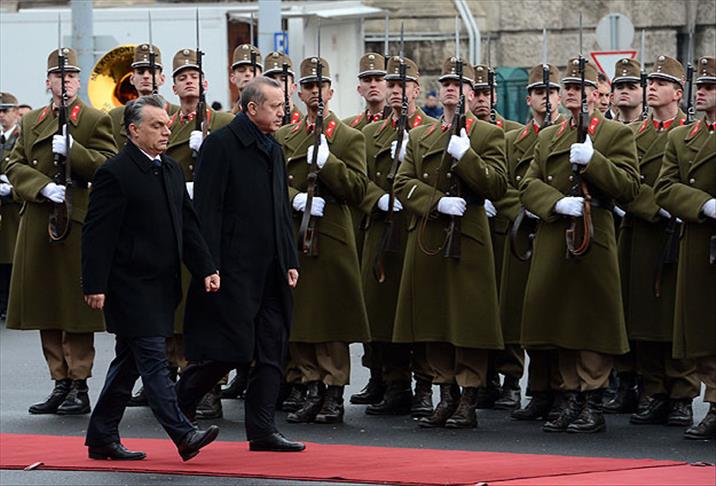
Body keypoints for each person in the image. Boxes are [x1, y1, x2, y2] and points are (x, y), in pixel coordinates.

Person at [82, 95, 221, 462]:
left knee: (127, 363)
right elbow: (97, 234)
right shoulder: (115, 172)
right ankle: (183, 433)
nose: (166, 131)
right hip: (129, 285)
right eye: (156, 125)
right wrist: (94, 284)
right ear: (134, 130)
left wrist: (206, 267)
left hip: (162, 284)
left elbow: (187, 225)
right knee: (154, 361)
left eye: (166, 125)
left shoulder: (171, 169)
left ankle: (101, 436)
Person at [177, 77, 305, 452]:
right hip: (232, 269)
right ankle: (179, 402)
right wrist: (208, 265)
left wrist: (289, 258)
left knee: (271, 348)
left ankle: (262, 430)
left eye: (283, 105)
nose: (283, 112)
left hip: (271, 268)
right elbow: (207, 211)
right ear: (251, 108)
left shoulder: (273, 148)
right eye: (275, 106)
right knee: (228, 350)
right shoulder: (221, 145)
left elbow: (280, 210)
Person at [519, 57, 640, 433]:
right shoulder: (548, 136)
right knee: (560, 316)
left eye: (579, 88)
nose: (571, 93)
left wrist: (594, 161)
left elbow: (629, 187)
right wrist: (555, 203)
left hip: (594, 232)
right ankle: (569, 395)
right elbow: (528, 184)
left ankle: (592, 400)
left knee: (592, 318)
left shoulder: (614, 134)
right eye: (567, 87)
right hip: (557, 231)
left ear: (594, 94)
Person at [393, 57, 507, 429]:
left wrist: (467, 156)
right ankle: (446, 394)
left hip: (468, 239)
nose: (451, 89)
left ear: (472, 93)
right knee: (435, 318)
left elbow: (497, 185)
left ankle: (469, 397)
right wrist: (436, 202)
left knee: (468, 321)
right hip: (430, 234)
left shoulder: (488, 135)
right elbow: (402, 182)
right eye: (446, 83)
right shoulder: (422, 136)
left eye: (459, 84)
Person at [4, 47, 117, 416]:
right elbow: (14, 163)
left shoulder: (94, 119)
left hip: (76, 220)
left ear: (78, 81)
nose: (65, 83)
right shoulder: (31, 121)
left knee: (75, 308)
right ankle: (59, 381)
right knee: (46, 305)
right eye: (58, 76)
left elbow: (109, 167)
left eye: (70, 76)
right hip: (39, 218)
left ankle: (79, 383)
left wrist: (75, 151)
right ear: (47, 81)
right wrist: (41, 187)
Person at [275, 56, 370, 425]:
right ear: (299, 93)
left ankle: (333, 391)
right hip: (295, 231)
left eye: (321, 86)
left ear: (331, 91)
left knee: (331, 317)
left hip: (331, 235)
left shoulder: (348, 137)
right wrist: (294, 197)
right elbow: (270, 184)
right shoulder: (285, 137)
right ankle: (310, 386)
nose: (315, 92)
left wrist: (329, 163)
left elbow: (358, 189)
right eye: (309, 86)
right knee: (300, 316)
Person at [618, 55, 699, 427]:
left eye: (661, 83)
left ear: (678, 92)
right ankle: (653, 390)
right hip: (643, 231)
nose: (651, 88)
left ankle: (682, 393)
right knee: (644, 317)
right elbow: (624, 184)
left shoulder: (692, 133)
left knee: (677, 317)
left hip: (681, 232)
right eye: (650, 82)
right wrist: (657, 206)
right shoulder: (633, 134)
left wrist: (681, 205)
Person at [355, 55, 437, 418]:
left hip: (419, 227)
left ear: (416, 90)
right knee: (384, 309)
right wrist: (378, 198)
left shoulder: (433, 130)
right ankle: (395, 383)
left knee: (421, 309)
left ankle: (425, 386)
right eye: (391, 85)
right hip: (383, 227)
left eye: (403, 85)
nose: (396, 91)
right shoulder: (369, 134)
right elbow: (359, 180)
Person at [161, 48, 234, 419]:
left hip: (213, 226)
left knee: (210, 308)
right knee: (177, 310)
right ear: (173, 87)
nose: (189, 82)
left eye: (194, 76)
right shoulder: (164, 123)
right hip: (176, 223)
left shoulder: (223, 123)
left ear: (205, 83)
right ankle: (178, 382)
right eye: (182, 77)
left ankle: (210, 387)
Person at [655, 55, 716, 440]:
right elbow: (664, 187)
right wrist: (703, 204)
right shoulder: (682, 137)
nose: (702, 93)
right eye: (700, 86)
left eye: (710, 87)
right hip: (699, 240)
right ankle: (715, 403)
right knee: (703, 330)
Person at [499, 64, 565, 421]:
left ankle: (562, 390)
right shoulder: (514, 141)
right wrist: (527, 210)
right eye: (540, 92)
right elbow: (505, 187)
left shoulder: (571, 135)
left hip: (561, 231)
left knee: (558, 315)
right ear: (528, 99)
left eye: (551, 92)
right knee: (530, 316)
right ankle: (538, 390)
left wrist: (553, 207)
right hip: (525, 233)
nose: (546, 98)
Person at [470, 63, 523, 409]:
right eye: (475, 93)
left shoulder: (514, 133)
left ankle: (511, 378)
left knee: (506, 306)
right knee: (476, 304)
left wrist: (498, 202)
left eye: (486, 92)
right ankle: (483, 377)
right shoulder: (460, 131)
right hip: (470, 227)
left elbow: (518, 182)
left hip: (503, 228)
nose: (481, 99)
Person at [342, 52, 388, 400]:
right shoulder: (350, 128)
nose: (374, 85)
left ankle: (405, 380)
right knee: (368, 303)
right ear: (359, 87)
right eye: (367, 80)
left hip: (400, 221)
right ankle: (376, 373)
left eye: (379, 79)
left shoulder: (420, 126)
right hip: (360, 220)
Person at [108, 44, 179, 149]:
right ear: (132, 79)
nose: (146, 76)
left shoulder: (177, 114)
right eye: (140, 72)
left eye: (151, 72)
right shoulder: (115, 117)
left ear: (162, 79)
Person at [0, 91, 21, 320]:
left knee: (12, 260)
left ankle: (10, 304)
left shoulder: (21, 137)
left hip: (15, 209)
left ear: (16, 112)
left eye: (5, 110)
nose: (1, 115)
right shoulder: (2, 139)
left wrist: (11, 189)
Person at [262, 51, 304, 126]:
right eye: (271, 79)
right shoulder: (259, 122)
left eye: (283, 80)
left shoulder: (302, 124)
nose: (277, 83)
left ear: (293, 87)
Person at [230, 44, 262, 114]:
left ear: (261, 77)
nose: (247, 73)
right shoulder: (229, 117)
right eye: (241, 70)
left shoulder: (271, 113)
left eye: (252, 70)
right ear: (233, 78)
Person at [610, 58, 645, 124]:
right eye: (619, 88)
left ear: (644, 95)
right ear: (612, 97)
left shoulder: (653, 127)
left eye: (631, 88)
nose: (624, 91)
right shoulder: (605, 128)